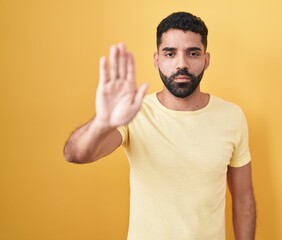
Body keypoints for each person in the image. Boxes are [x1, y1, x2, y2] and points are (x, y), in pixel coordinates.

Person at [64, 12, 256, 240]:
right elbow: (75, 154)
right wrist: (102, 122)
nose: (181, 64)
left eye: (193, 53)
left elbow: (243, 198)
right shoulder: (133, 113)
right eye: (170, 53)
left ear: (206, 59)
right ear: (157, 60)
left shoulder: (232, 116)